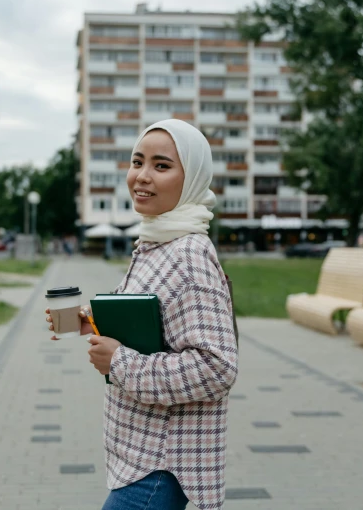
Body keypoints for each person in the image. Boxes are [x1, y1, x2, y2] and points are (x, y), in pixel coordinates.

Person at [46, 119, 238, 510]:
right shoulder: (156, 241)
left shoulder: (189, 255)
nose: (142, 177)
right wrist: (90, 321)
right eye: (137, 162)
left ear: (193, 178)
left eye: (162, 166)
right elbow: (152, 321)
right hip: (139, 456)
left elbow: (218, 367)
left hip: (163, 466)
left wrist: (119, 362)